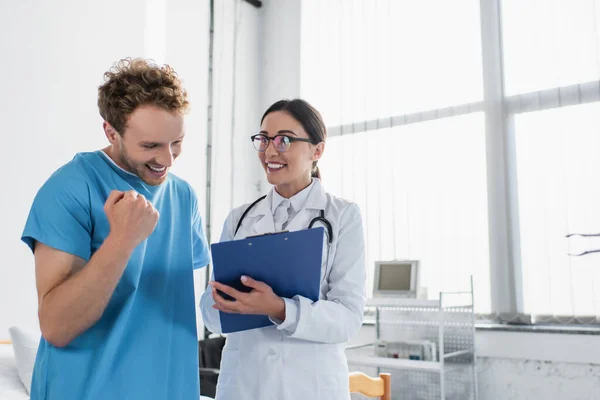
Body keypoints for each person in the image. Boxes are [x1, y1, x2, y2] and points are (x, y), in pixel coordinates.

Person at [21, 58, 210, 400]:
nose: (167, 159)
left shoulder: (184, 196)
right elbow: (57, 327)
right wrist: (121, 241)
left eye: (176, 142)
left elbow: (169, 307)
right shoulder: (71, 188)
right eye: (151, 146)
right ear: (111, 132)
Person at [200, 99, 366, 400]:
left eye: (284, 140)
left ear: (317, 150)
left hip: (310, 385)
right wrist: (224, 304)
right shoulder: (239, 219)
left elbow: (348, 318)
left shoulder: (343, 216)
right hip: (245, 385)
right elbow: (210, 313)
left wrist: (279, 308)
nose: (270, 151)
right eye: (264, 139)